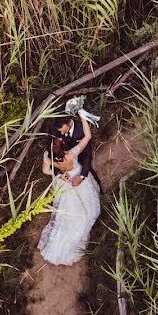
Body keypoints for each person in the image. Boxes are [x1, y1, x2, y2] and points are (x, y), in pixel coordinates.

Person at [37, 110, 101, 265]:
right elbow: (88, 137)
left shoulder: (48, 157)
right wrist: (83, 116)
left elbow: (45, 171)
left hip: (64, 184)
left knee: (68, 211)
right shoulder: (71, 154)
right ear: (64, 147)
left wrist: (59, 175)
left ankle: (59, 242)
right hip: (78, 179)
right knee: (88, 206)